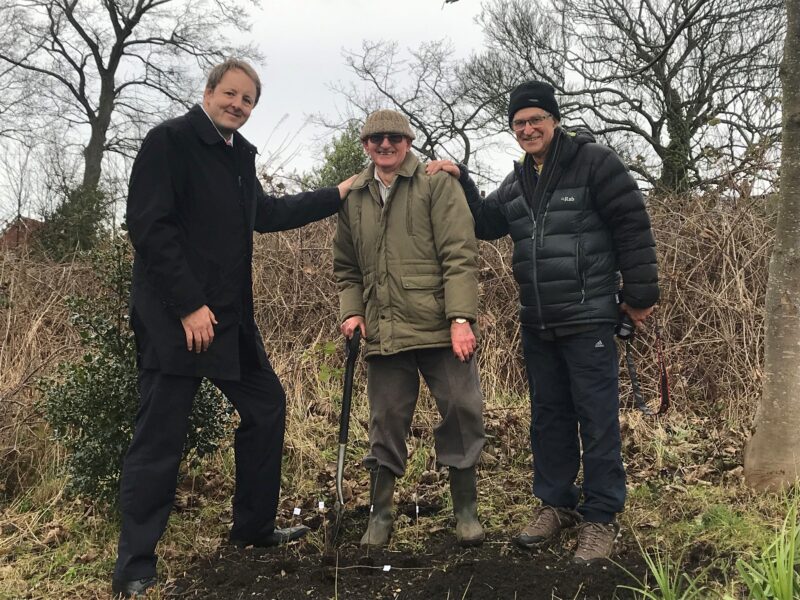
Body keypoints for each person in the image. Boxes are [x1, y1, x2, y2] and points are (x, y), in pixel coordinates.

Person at [113, 59, 356, 598]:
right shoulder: (169, 141)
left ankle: (252, 529)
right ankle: (134, 564)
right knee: (159, 442)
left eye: (248, 101)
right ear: (209, 91)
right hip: (177, 323)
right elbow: (148, 228)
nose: (238, 106)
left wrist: (337, 192)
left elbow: (265, 214)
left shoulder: (240, 157)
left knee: (266, 407)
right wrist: (188, 305)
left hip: (229, 324)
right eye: (231, 94)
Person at [428, 81, 659, 564]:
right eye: (519, 123)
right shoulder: (518, 181)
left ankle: (600, 519)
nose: (528, 129)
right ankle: (556, 504)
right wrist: (461, 178)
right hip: (538, 321)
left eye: (535, 119)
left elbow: (633, 224)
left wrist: (639, 296)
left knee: (596, 421)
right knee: (548, 418)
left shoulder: (594, 163)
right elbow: (486, 222)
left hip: (590, 317)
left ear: (554, 119)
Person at [333, 109, 486, 548]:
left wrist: (461, 319)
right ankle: (380, 516)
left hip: (440, 327)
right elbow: (347, 268)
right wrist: (352, 311)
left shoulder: (438, 183)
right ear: (365, 144)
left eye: (394, 138)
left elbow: (460, 254)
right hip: (384, 330)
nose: (385, 145)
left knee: (461, 408)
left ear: (408, 141)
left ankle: (466, 512)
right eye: (376, 138)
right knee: (386, 421)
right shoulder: (353, 195)